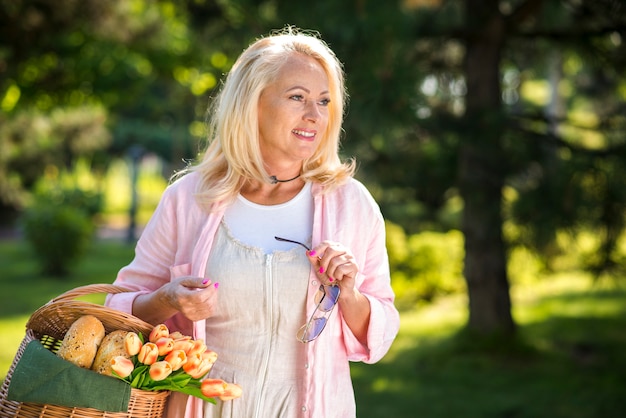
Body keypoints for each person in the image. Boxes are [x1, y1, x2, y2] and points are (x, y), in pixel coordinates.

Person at [105, 27, 400, 418]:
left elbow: (379, 331)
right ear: (253, 104)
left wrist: (349, 293)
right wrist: (169, 298)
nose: (314, 116)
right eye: (298, 97)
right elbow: (120, 312)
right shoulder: (188, 199)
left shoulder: (351, 204)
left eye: (324, 101)